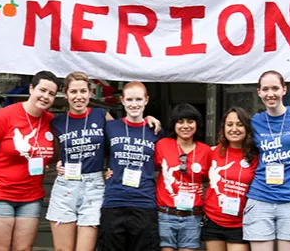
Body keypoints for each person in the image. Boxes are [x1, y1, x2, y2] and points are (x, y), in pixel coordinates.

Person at [47, 72, 161, 251]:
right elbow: (48, 150)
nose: (79, 96)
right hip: (66, 185)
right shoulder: (56, 122)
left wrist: (148, 119)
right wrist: (55, 164)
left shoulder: (102, 116)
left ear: (90, 93)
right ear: (66, 94)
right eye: (74, 92)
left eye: (83, 91)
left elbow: (123, 135)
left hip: (94, 185)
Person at [0, 70, 59, 251]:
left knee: (23, 249)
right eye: (42, 90)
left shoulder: (50, 121)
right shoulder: (4, 116)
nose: (46, 96)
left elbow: (53, 152)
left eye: (52, 93)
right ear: (31, 89)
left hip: (31, 197)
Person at [242, 70, 290, 251]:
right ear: (259, 92)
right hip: (260, 198)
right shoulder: (255, 122)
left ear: (284, 90)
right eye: (265, 89)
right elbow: (233, 140)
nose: (270, 94)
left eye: (275, 88)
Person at [98, 81, 165, 251]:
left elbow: (161, 164)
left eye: (138, 99)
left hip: (144, 201)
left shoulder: (155, 130)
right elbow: (99, 153)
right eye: (129, 99)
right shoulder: (111, 127)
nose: (134, 104)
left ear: (146, 100)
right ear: (122, 101)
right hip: (114, 200)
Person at [202, 107, 259, 251]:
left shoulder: (256, 157)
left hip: (240, 223)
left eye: (239, 125)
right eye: (230, 124)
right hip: (213, 220)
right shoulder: (212, 152)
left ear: (247, 128)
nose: (234, 129)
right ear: (223, 128)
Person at [155, 104, 210, 251]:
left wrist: (204, 193)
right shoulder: (162, 145)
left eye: (190, 121)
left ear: (197, 124)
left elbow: (214, 178)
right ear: (174, 124)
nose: (185, 126)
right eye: (180, 121)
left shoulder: (206, 150)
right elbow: (145, 168)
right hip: (165, 214)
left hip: (193, 215)